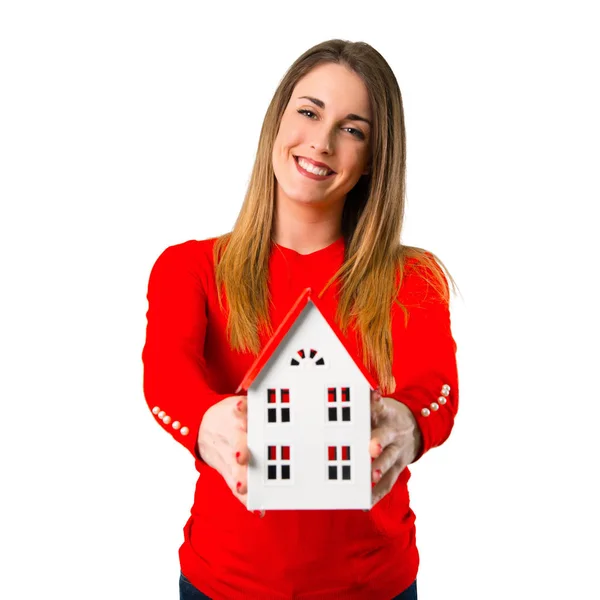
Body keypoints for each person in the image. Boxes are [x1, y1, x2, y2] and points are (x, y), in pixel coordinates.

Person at [142, 38, 459, 600]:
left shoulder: (413, 278)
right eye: (309, 112)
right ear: (277, 121)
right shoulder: (187, 268)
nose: (322, 141)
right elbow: (167, 375)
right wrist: (204, 420)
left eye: (353, 129)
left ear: (373, 161)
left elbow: (436, 388)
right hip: (222, 584)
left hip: (374, 586)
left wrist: (406, 425)